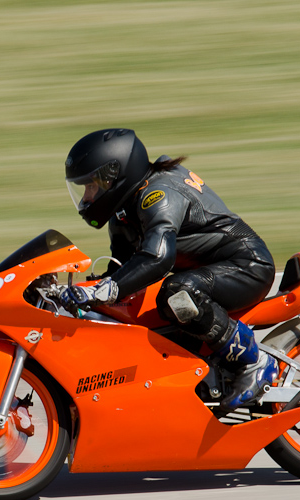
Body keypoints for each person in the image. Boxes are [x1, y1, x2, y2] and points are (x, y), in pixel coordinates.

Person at [60, 128, 278, 411]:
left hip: (246, 266)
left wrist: (109, 289)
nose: (87, 197)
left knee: (177, 294)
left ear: (114, 177)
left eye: (91, 186)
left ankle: (254, 362)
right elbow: (124, 269)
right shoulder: (124, 212)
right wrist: (85, 291)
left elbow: (157, 257)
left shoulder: (158, 195)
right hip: (208, 271)